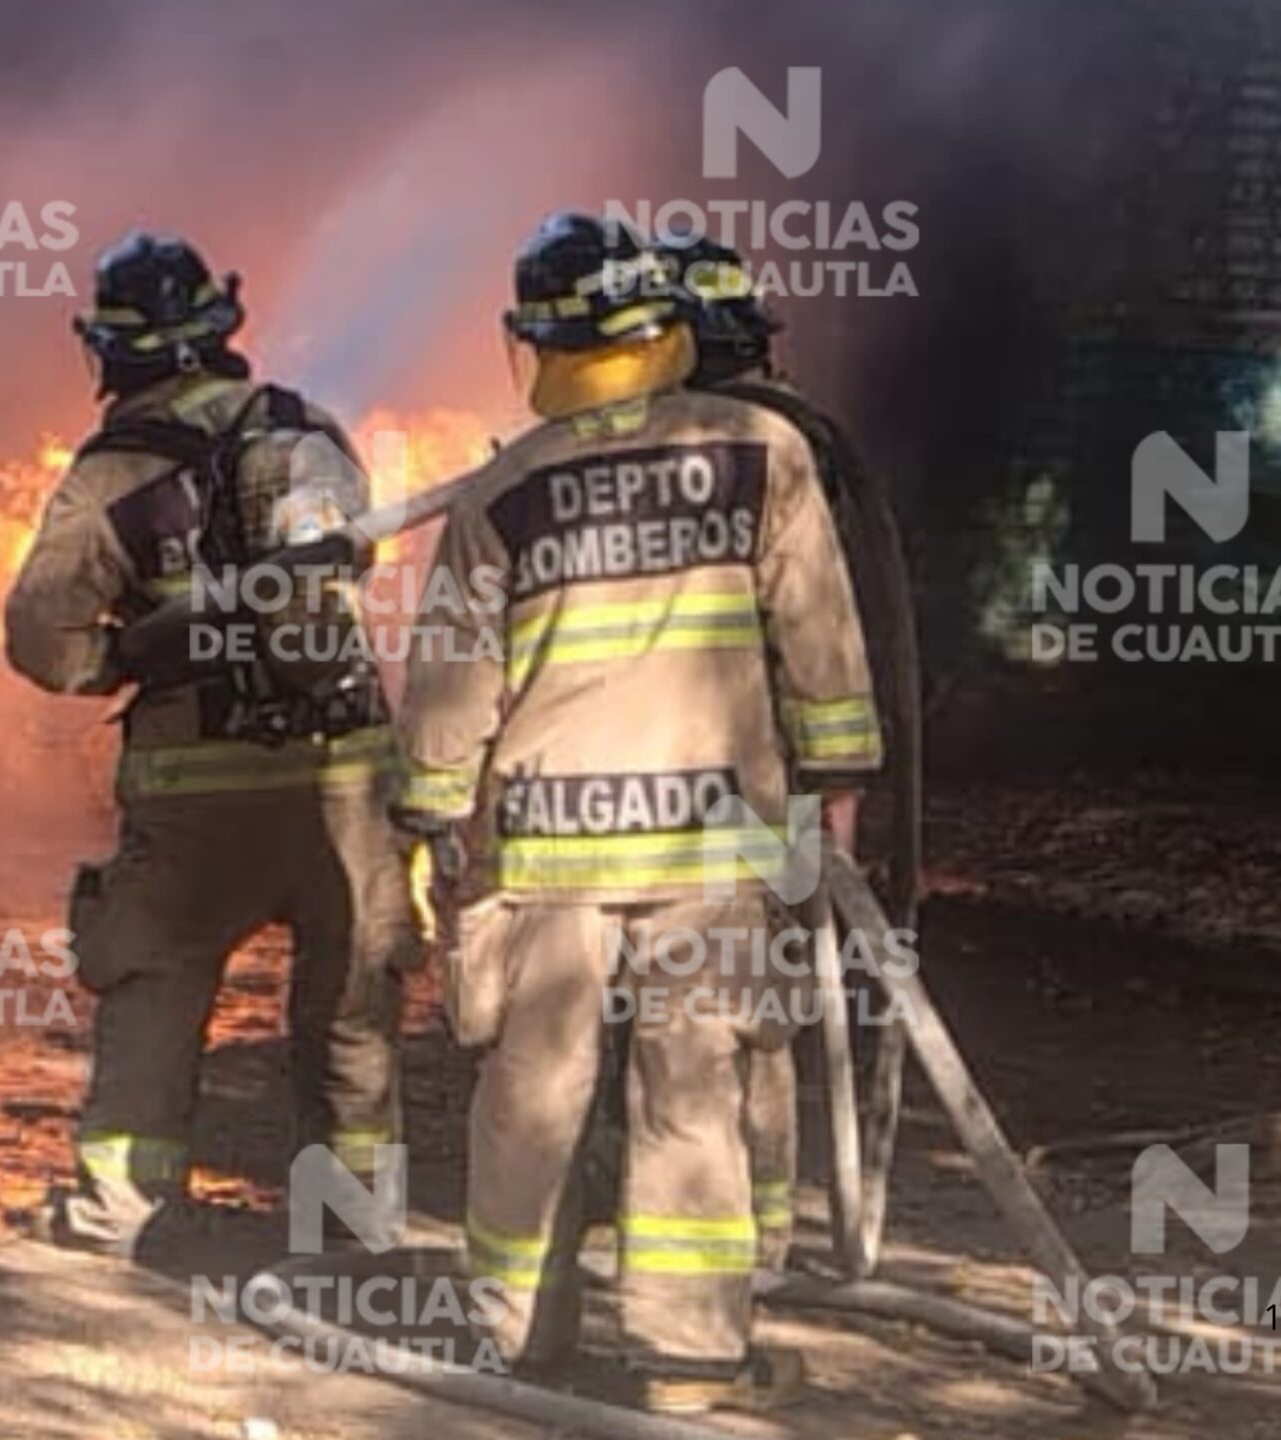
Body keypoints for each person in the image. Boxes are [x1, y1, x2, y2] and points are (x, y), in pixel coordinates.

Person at [392, 213, 882, 1414]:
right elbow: (819, 643)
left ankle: (515, 1333)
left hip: (545, 847)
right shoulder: (764, 450)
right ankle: (689, 1359)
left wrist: (427, 814)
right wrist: (831, 798)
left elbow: (455, 678)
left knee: (532, 1088)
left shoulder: (504, 489)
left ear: (544, 341)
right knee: (696, 1085)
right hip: (717, 845)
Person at [4, 231, 419, 1256]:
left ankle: (123, 1211)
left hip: (193, 783)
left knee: (153, 984)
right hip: (341, 777)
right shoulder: (303, 432)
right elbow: (330, 597)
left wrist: (124, 659)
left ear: (113, 350)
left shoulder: (113, 471)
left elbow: (38, 636)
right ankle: (353, 1223)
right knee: (352, 1002)